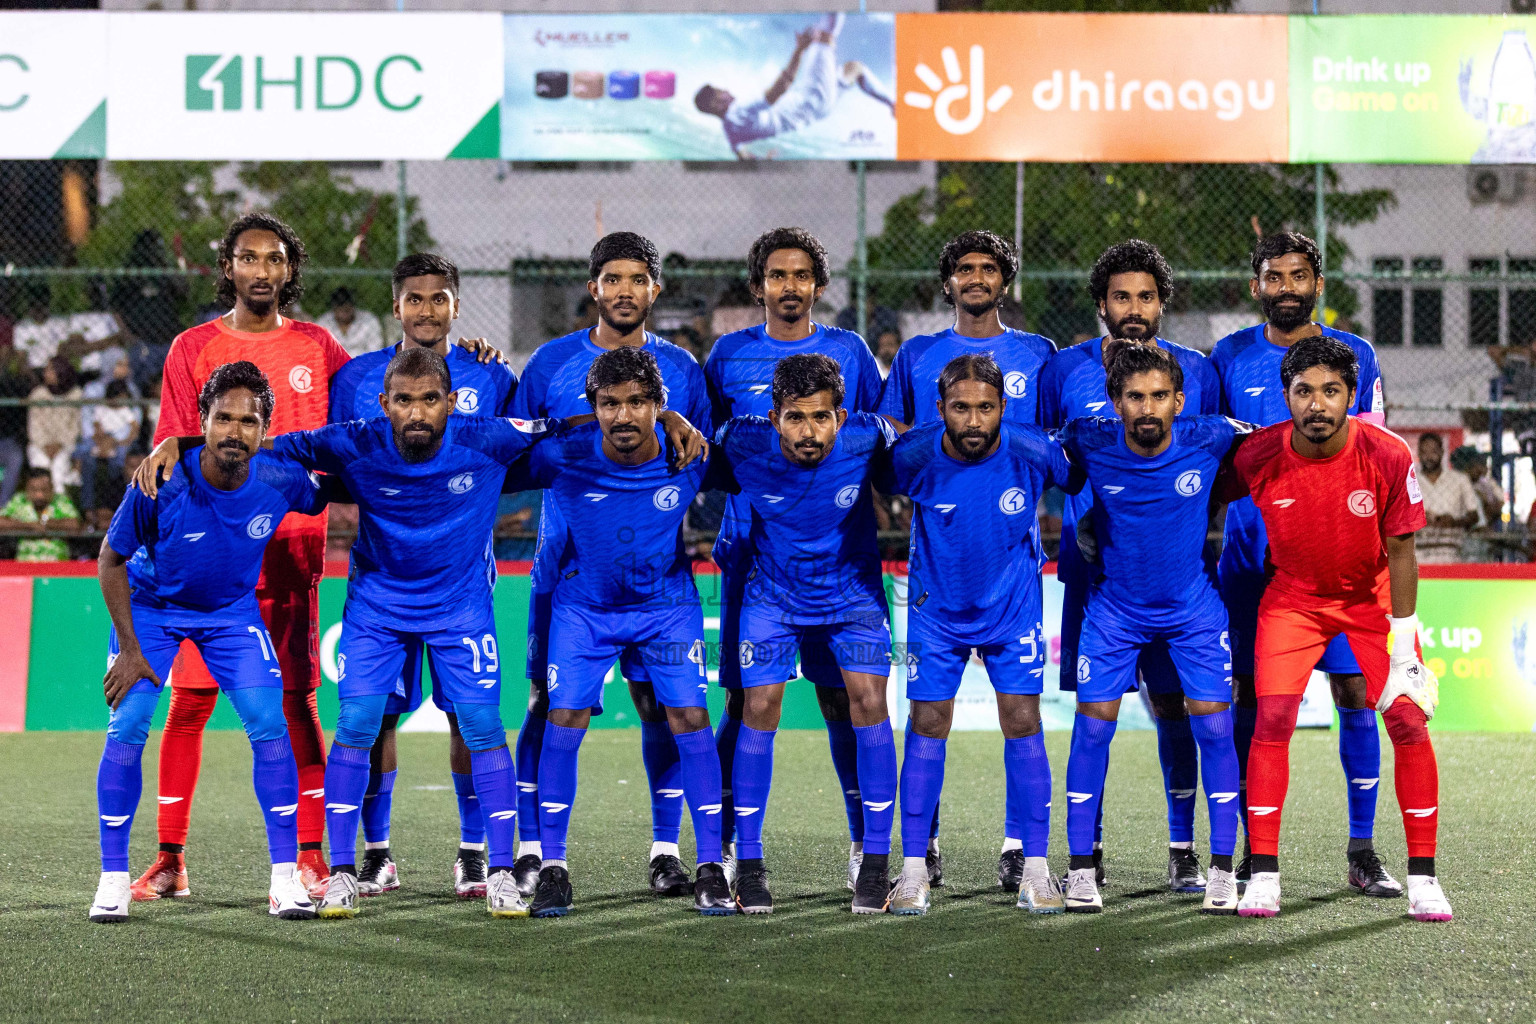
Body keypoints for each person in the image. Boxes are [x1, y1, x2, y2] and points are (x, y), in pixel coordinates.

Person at [133, 212, 351, 904]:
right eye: (249, 259)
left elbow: (366, 415)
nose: (263, 270)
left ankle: (310, 856)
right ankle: (169, 859)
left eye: (276, 259)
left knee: (294, 702)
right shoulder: (191, 347)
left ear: (292, 269)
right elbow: (172, 446)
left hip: (289, 554)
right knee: (190, 703)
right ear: (226, 267)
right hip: (207, 558)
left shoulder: (320, 348)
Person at [506, 232, 713, 901]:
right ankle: (536, 851)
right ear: (593, 287)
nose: (624, 291)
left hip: (656, 571)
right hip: (565, 569)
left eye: (637, 279)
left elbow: (699, 449)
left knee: (661, 706)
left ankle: (665, 849)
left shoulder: (682, 365)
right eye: (611, 279)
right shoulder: (548, 364)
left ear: (656, 289)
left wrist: (674, 412)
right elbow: (517, 446)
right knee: (549, 705)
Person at [88, 361, 327, 923]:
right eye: (223, 418)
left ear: (265, 430)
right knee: (128, 726)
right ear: (203, 420)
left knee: (271, 724)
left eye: (249, 421)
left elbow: (334, 484)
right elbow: (110, 558)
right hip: (151, 610)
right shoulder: (160, 479)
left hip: (229, 614)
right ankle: (113, 878)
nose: (235, 431)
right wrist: (129, 647)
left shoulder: (279, 479)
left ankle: (284, 880)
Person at [1224, 336, 1451, 923]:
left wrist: (1404, 647)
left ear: (1352, 395)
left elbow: (1402, 552)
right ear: (1286, 397)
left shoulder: (1388, 454)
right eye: (1304, 392)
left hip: (1372, 600)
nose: (1317, 404)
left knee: (1406, 718)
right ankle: (1265, 872)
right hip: (1293, 599)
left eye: (1330, 391)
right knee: (1270, 719)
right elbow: (1193, 491)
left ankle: (1424, 877)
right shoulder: (1256, 455)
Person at [1209, 231, 1400, 895]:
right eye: (1273, 276)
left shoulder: (1359, 355)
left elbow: (1374, 449)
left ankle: (1363, 850)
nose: (1285, 287)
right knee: (1254, 703)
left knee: (1356, 695)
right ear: (1257, 285)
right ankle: (1239, 857)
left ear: (1317, 283)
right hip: (1251, 563)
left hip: (1340, 562)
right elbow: (1211, 459)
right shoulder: (1227, 357)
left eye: (1298, 276)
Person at [326, 253, 519, 899]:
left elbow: (508, 453)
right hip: (380, 576)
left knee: (471, 720)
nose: (428, 310)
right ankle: (375, 853)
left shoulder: (488, 374)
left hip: (462, 580)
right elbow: (333, 462)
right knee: (373, 719)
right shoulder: (355, 378)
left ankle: (473, 852)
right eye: (415, 299)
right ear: (396, 305)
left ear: (457, 305)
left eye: (440, 299)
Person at [704, 227, 884, 892]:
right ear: (758, 286)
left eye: (802, 274)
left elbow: (875, 444)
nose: (789, 286)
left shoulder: (851, 352)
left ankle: (867, 841)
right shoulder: (726, 355)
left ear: (818, 284)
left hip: (841, 559)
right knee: (744, 701)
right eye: (776, 275)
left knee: (847, 701)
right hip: (753, 558)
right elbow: (702, 444)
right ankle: (728, 842)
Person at [877, 228, 1057, 892]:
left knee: (1021, 716)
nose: (976, 278)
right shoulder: (920, 355)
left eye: (988, 268)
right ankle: (919, 857)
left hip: (1013, 574)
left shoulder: (1038, 353)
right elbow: (892, 443)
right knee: (928, 718)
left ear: (1003, 279)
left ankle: (1026, 853)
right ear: (947, 280)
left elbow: (1055, 446)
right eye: (963, 268)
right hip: (939, 581)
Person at [1038, 239, 1219, 894]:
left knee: (1176, 706)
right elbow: (1040, 457)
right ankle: (1088, 856)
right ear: (1102, 305)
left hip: (1176, 571)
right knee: (1097, 713)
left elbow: (1211, 463)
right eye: (1122, 296)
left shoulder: (1197, 371)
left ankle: (1181, 849)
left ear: (1162, 303)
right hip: (1094, 576)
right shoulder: (1063, 371)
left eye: (1146, 296)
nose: (1134, 308)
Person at [885, 354, 1081, 915]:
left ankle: (1038, 870)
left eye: (986, 408)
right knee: (927, 722)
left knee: (1023, 720)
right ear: (941, 408)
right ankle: (914, 870)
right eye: (961, 408)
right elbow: (876, 478)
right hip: (935, 611)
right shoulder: (913, 454)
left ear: (1003, 407)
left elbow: (1078, 475)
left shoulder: (1032, 448)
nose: (974, 421)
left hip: (1013, 608)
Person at [1057, 346, 1246, 915]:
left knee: (1214, 730)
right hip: (1114, 610)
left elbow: (1273, 447)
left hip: (1192, 610)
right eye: (1135, 397)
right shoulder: (1088, 439)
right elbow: (1031, 455)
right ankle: (1081, 870)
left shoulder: (1210, 436)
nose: (1147, 408)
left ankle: (1219, 868)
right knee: (1093, 731)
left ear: (1179, 401)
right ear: (1115, 403)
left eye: (1159, 396)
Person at [693, 15, 894, 160]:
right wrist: (799, 50)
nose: (727, 91)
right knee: (824, 35)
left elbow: (742, 155)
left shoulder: (730, 130)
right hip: (812, 98)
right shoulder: (739, 111)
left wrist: (764, 162)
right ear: (715, 104)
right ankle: (893, 104)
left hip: (818, 111)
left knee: (854, 68)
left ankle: (894, 105)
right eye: (722, 92)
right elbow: (781, 87)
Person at [1413, 432, 1480, 564]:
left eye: (1433, 451)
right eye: (1424, 452)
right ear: (1418, 453)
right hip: (1418, 550)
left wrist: (1453, 522)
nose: (1429, 457)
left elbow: (1474, 515)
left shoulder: (1460, 480)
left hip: (1450, 550)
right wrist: (1419, 518)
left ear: (1442, 452)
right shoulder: (1409, 480)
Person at [27, 356, 83, 492]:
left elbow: (75, 425)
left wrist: (59, 444)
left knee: (58, 468)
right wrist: (45, 444)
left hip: (65, 444)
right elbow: (34, 426)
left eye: (49, 370)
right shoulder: (38, 394)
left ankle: (57, 510)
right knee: (41, 465)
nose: (45, 373)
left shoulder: (76, 394)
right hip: (40, 444)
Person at [0, 467, 80, 562]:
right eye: (34, 490)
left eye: (44, 490)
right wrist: (30, 526)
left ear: (52, 487)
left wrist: (46, 524)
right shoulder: (20, 500)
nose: (39, 495)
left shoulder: (61, 500)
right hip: (25, 563)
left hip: (57, 563)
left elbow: (75, 524)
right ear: (26, 489)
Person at [0, 343, 32, 505]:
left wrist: (23, 366)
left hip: (7, 441)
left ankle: (2, 507)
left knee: (15, 458)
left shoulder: (13, 383)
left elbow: (31, 387)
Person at [317, 287, 386, 358]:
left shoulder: (369, 321)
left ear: (353, 305)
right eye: (340, 304)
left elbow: (375, 352)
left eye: (347, 303)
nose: (344, 307)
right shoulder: (323, 323)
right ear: (333, 306)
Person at [1450, 445, 1506, 526]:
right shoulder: (1456, 486)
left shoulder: (1484, 482)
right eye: (1476, 465)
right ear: (1466, 468)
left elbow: (1499, 504)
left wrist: (1488, 503)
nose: (1481, 469)